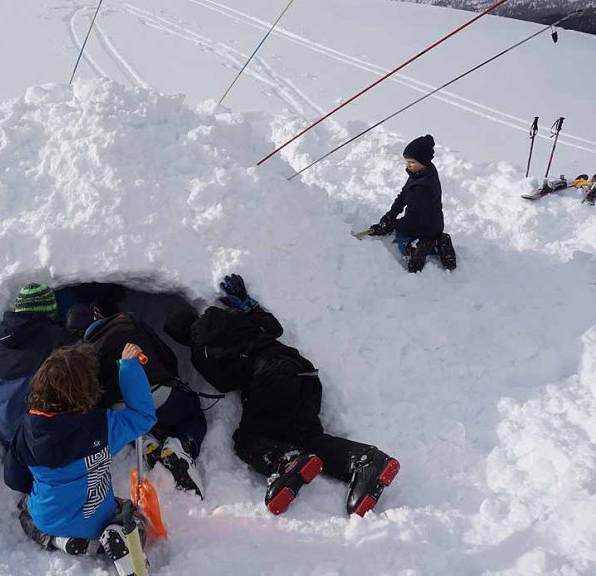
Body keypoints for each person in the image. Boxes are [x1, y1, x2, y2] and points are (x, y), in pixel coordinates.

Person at [163, 274, 399, 517]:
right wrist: (247, 305)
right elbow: (275, 328)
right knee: (304, 436)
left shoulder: (199, 352)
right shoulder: (231, 315)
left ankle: (286, 461)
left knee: (247, 439)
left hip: (270, 378)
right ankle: (366, 462)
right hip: (304, 372)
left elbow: (226, 383)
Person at [4, 342, 155, 576]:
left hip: (48, 519)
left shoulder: (27, 430)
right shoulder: (104, 426)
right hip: (96, 518)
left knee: (26, 514)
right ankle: (115, 534)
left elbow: (15, 479)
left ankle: (59, 542)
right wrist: (129, 366)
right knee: (133, 517)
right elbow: (143, 416)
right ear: (87, 390)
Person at [75, 304, 207, 498]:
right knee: (194, 413)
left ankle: (144, 441)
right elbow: (165, 355)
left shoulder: (82, 355)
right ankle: (181, 443)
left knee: (125, 422)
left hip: (124, 410)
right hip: (162, 395)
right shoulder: (127, 321)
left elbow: (95, 398)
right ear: (97, 314)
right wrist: (170, 377)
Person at [0, 283, 77, 445]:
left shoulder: (2, 347)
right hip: (40, 435)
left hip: (8, 433)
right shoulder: (58, 339)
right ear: (49, 310)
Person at [368, 134, 457, 272]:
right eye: (407, 162)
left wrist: (394, 225)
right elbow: (403, 196)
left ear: (423, 161)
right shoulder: (423, 174)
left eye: (412, 162)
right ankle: (438, 241)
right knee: (409, 229)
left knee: (401, 239)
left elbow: (413, 219)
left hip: (422, 227)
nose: (408, 166)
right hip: (435, 224)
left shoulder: (421, 188)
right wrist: (391, 215)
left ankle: (417, 247)